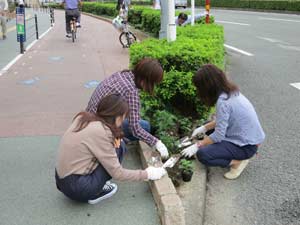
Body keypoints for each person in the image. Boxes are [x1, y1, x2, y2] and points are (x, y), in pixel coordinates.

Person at [55, 94, 167, 204]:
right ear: (117, 117)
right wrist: (148, 174)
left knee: (116, 144)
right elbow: (118, 173)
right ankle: (96, 192)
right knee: (119, 148)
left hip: (61, 181)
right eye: (123, 117)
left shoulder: (83, 117)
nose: (124, 120)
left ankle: (92, 183)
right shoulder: (102, 132)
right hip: (79, 188)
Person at [181, 64, 265, 179]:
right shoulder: (230, 92)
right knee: (207, 127)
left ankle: (237, 162)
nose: (198, 91)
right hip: (250, 139)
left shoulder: (223, 102)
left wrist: (197, 145)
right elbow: (223, 121)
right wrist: (203, 128)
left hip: (246, 146)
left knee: (203, 155)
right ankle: (229, 152)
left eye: (199, 88)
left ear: (207, 87)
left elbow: (219, 135)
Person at [86, 58, 169, 159]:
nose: (153, 87)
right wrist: (156, 142)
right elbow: (135, 128)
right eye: (153, 83)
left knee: (143, 125)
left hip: (89, 118)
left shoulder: (123, 75)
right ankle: (117, 141)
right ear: (146, 80)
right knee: (144, 127)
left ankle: (120, 138)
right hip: (100, 127)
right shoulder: (131, 91)